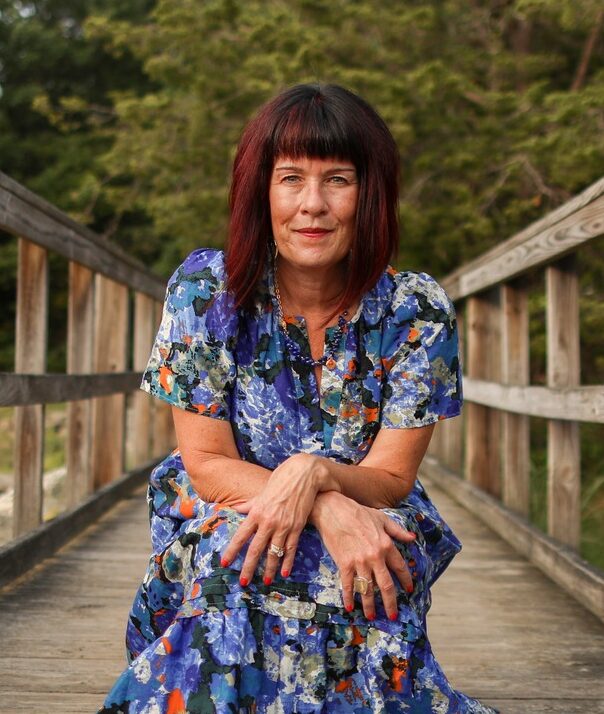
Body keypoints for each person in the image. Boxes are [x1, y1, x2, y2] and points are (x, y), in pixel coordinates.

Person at [100, 83, 497, 713]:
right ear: (261, 190)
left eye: (337, 179)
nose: (313, 205)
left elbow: (391, 476)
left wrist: (313, 475)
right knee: (240, 574)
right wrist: (321, 507)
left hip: (375, 513)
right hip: (227, 503)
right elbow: (205, 464)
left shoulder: (416, 309)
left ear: (371, 194)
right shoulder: (207, 290)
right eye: (291, 179)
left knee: (359, 577)